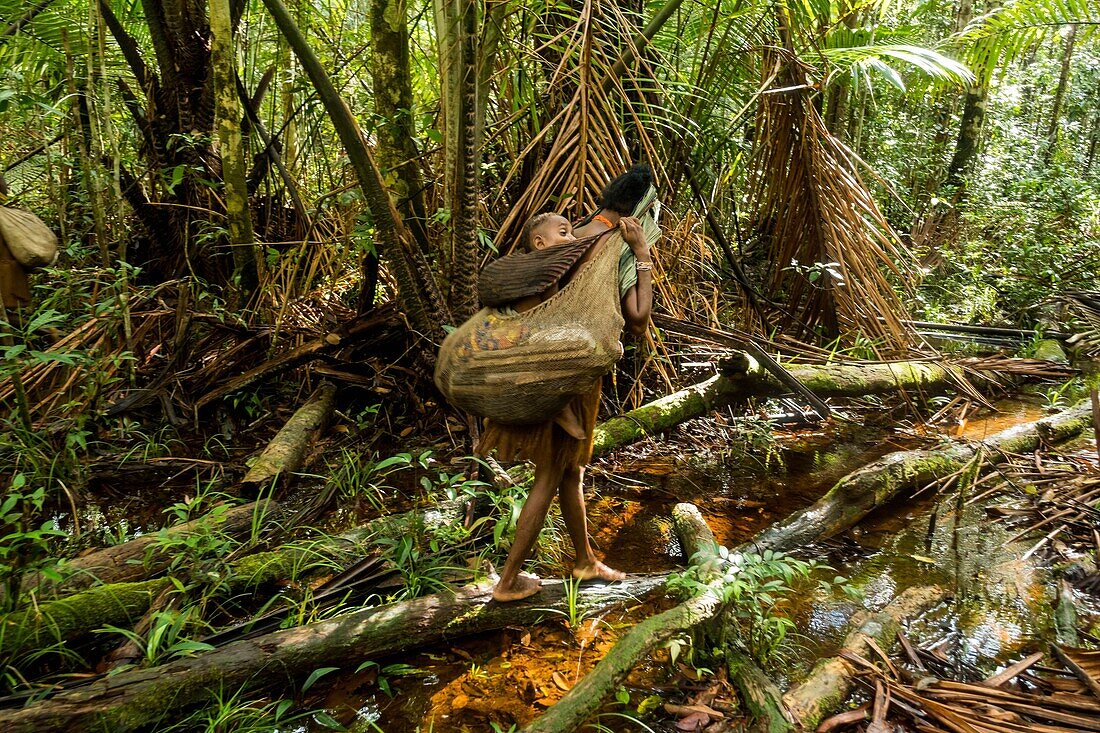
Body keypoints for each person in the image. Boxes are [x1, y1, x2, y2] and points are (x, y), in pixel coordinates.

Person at [480, 164, 656, 602]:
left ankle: (583, 560)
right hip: (571, 374)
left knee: (571, 470)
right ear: (642, 208)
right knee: (551, 473)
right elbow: (637, 320)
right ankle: (508, 581)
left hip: (541, 365)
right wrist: (643, 255)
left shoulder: (569, 233)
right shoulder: (615, 244)